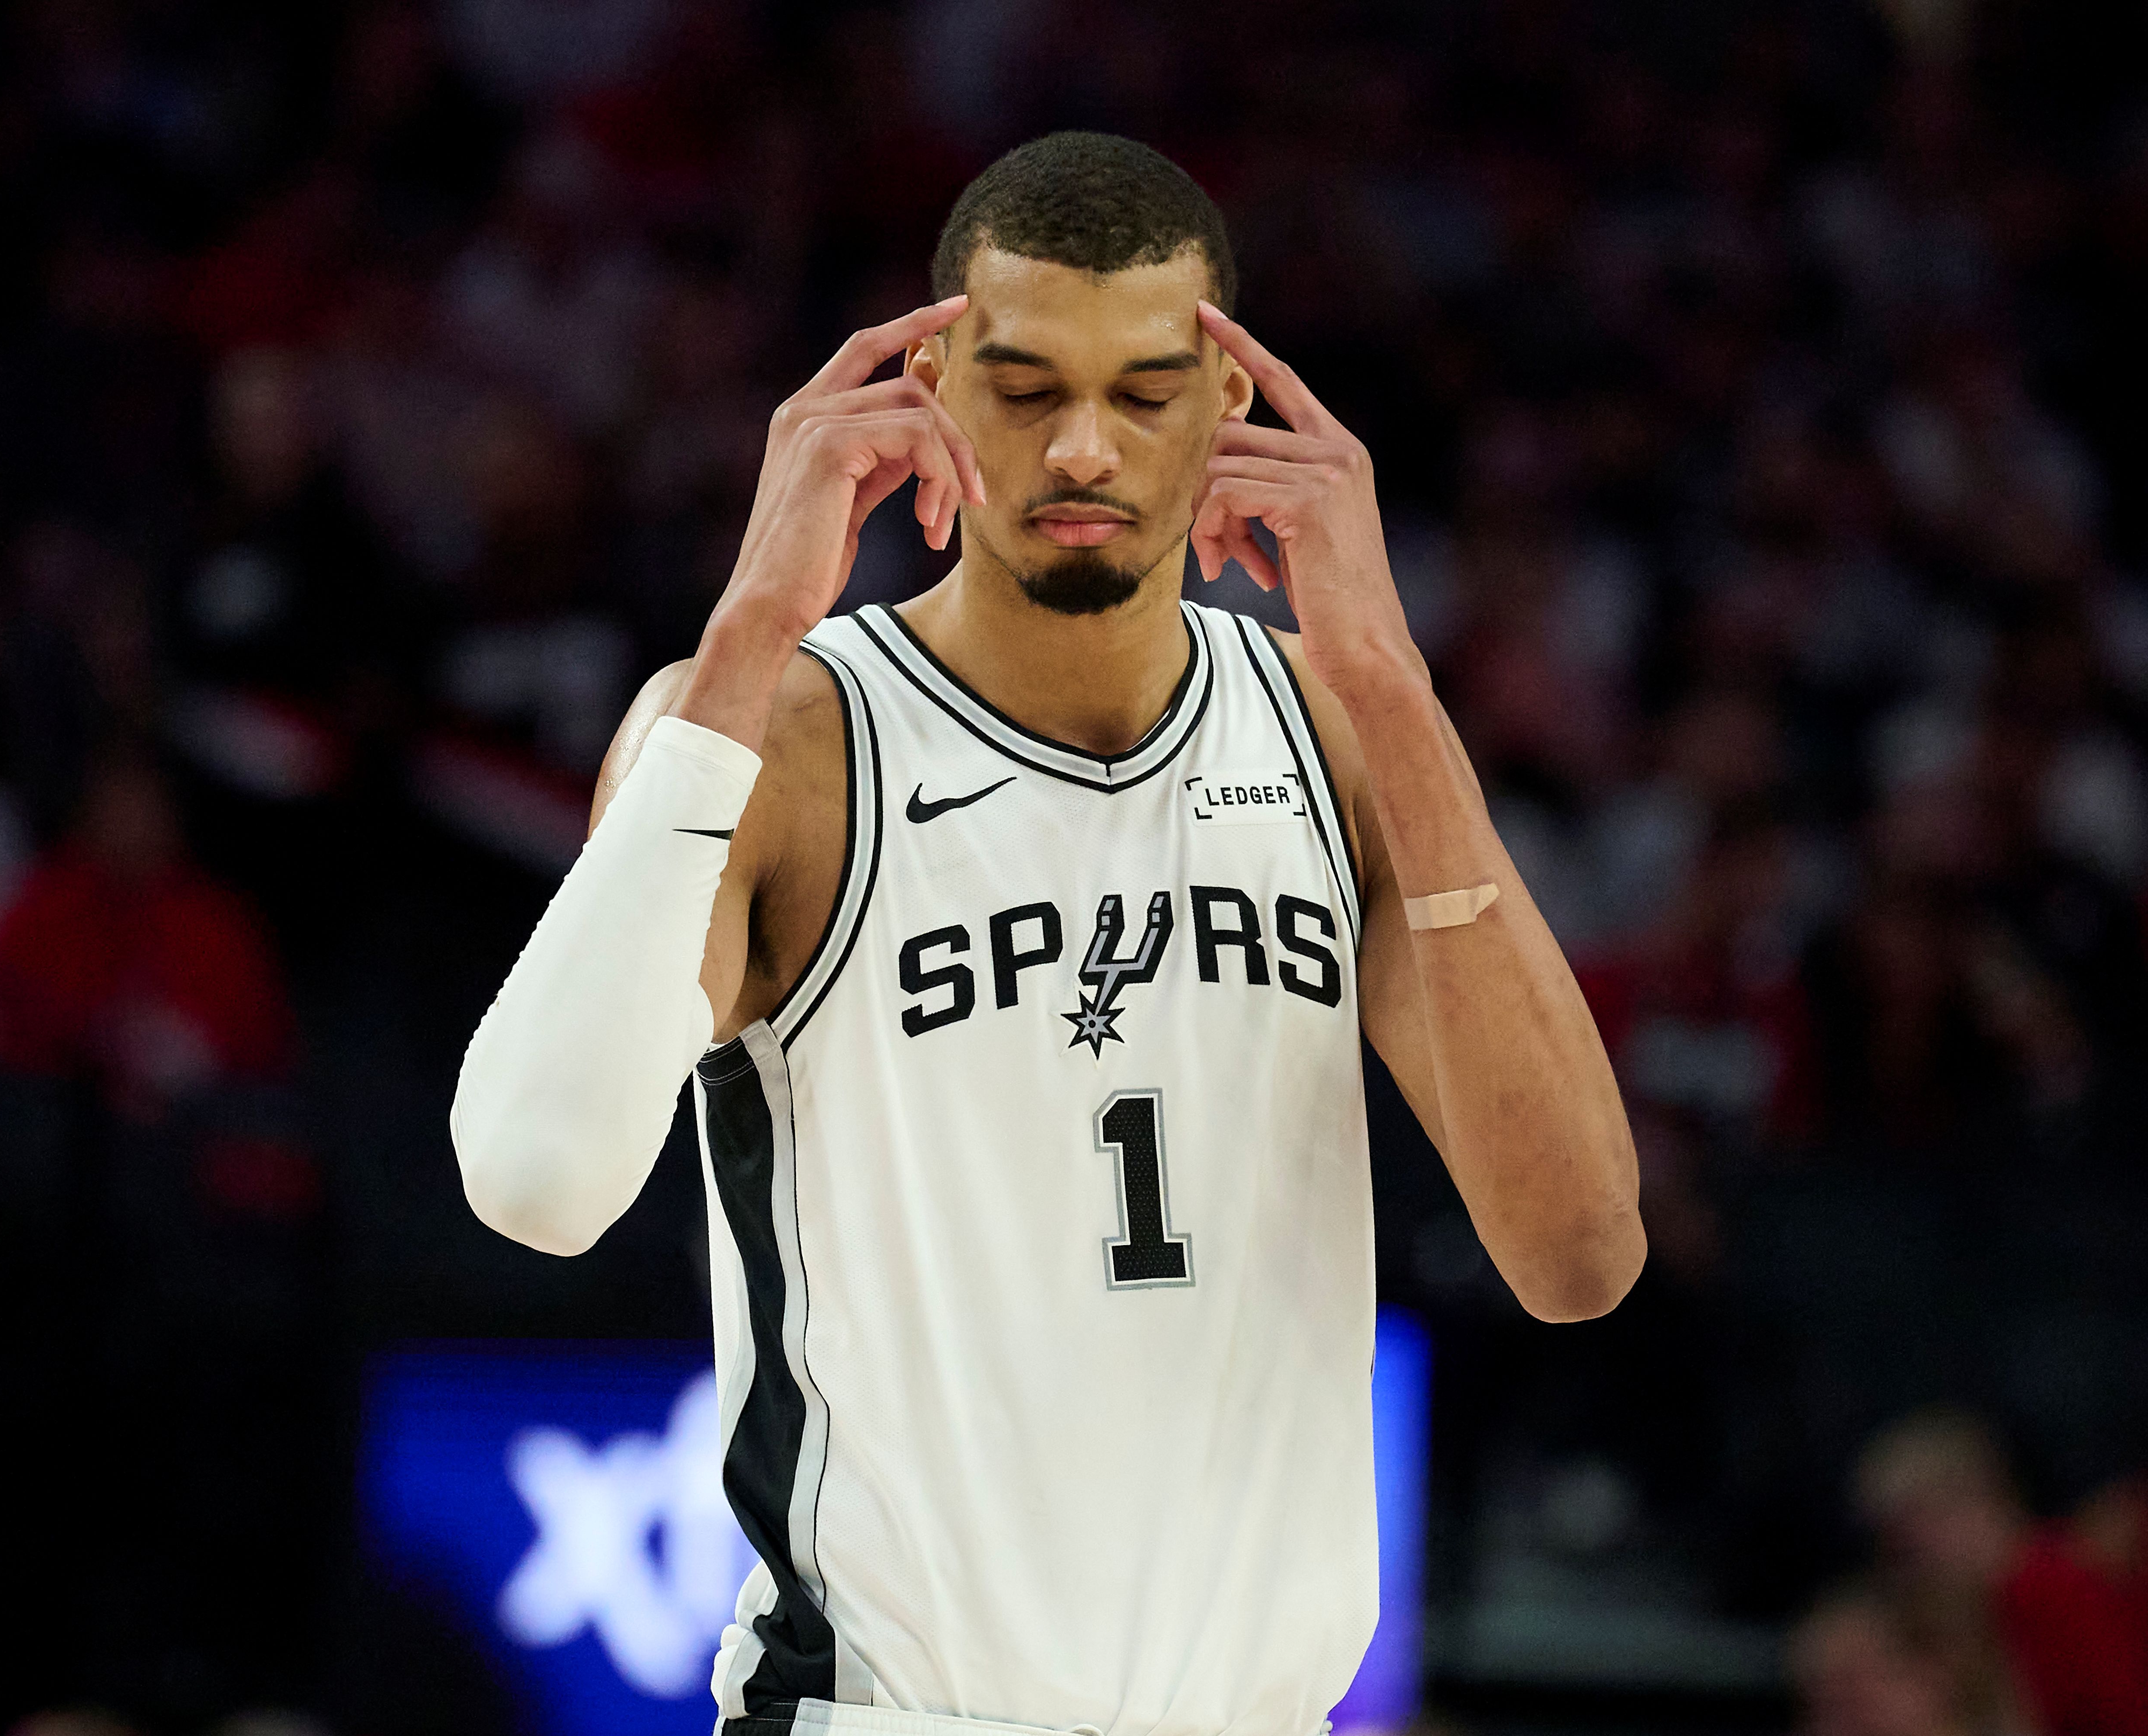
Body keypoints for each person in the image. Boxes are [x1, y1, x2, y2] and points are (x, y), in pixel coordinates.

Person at [453, 133, 1641, 1736]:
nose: (1084, 448)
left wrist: (1394, 690)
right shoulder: (785, 740)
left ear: (1232, 412)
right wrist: (749, 626)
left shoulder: (1338, 740)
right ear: (927, 382)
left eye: (1146, 394)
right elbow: (535, 1182)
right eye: (1022, 391)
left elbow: (1579, 1257)